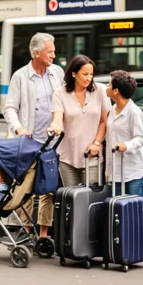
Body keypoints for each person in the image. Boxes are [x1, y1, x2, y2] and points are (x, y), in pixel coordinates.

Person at [2, 32, 63, 239]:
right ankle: (25, 233)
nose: (54, 55)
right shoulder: (20, 76)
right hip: (29, 142)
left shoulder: (57, 73)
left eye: (54, 51)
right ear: (37, 53)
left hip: (51, 143)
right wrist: (19, 129)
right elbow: (9, 108)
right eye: (50, 51)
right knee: (26, 189)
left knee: (48, 190)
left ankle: (44, 235)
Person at [49, 55, 110, 187]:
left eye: (91, 74)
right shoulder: (59, 93)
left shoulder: (101, 90)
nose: (89, 78)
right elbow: (57, 118)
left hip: (92, 156)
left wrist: (97, 143)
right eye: (85, 74)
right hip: (67, 158)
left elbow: (104, 121)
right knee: (71, 200)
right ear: (73, 74)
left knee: (90, 199)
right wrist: (55, 126)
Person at [104, 70, 143, 197]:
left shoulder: (134, 112)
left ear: (116, 91)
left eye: (109, 85)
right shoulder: (111, 111)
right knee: (118, 211)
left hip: (134, 171)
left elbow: (141, 138)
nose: (106, 87)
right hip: (116, 170)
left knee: (134, 212)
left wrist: (126, 146)